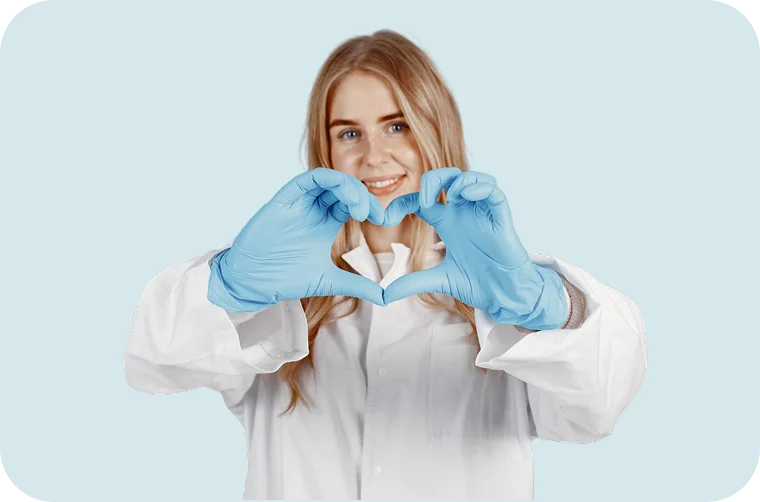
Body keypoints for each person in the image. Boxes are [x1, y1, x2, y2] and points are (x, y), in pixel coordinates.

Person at [124, 29, 648, 500]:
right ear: (326, 149)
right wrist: (231, 285)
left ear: (434, 128)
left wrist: (549, 306)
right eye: (349, 133)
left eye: (396, 126)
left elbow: (596, 411)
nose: (374, 157)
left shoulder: (501, 291)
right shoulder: (277, 292)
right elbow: (156, 362)